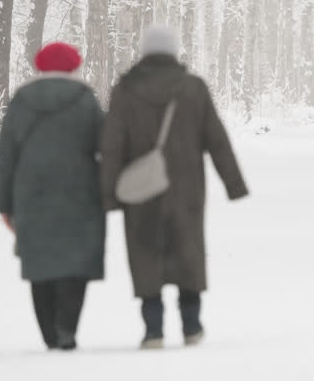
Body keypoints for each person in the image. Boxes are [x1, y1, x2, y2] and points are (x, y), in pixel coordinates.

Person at [100, 26, 249, 350]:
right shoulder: (193, 88)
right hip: (186, 188)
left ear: (144, 52)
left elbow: (111, 145)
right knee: (188, 253)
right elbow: (217, 139)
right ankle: (192, 326)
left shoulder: (125, 90)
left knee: (145, 253)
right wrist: (233, 184)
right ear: (174, 51)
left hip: (140, 191)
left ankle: (153, 330)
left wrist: (109, 194)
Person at [0, 42, 106, 351]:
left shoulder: (21, 101)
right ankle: (67, 328)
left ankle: (49, 334)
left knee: (39, 262)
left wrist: (5, 203)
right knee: (76, 261)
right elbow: (105, 145)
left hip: (31, 195)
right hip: (80, 194)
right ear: (74, 66)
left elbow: (7, 155)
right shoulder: (85, 100)